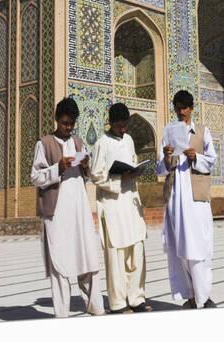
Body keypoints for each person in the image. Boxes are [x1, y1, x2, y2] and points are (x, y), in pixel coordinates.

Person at [30, 97, 105, 319]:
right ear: (56, 119)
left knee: (87, 258)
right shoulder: (44, 143)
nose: (68, 127)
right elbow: (35, 177)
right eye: (64, 123)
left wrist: (85, 165)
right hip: (56, 212)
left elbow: (88, 176)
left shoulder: (79, 143)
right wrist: (57, 167)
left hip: (79, 211)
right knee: (59, 262)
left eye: (72, 123)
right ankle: (61, 315)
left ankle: (96, 307)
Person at [156, 90, 218, 309]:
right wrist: (165, 156)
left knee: (200, 246)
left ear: (191, 108)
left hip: (196, 198)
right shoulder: (168, 134)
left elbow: (211, 161)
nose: (181, 112)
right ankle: (190, 296)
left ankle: (204, 296)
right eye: (177, 108)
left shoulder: (203, 131)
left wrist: (196, 157)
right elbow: (159, 169)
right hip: (175, 197)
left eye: (184, 107)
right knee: (180, 248)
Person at [90, 102, 151, 314]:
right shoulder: (101, 143)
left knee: (136, 251)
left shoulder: (129, 139)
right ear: (111, 123)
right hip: (113, 204)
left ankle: (136, 298)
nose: (122, 129)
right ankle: (117, 303)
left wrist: (134, 172)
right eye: (119, 126)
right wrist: (117, 178)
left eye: (125, 125)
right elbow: (96, 175)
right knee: (115, 255)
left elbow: (132, 161)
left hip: (131, 202)